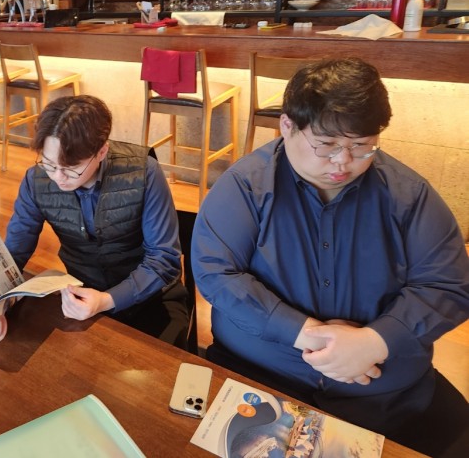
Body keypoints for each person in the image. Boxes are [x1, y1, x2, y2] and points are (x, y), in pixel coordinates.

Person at [191, 57, 469, 456]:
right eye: (326, 145)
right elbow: (216, 274)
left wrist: (375, 341)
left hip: (384, 395)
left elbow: (449, 285)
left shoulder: (408, 195)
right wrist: (305, 332)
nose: (344, 161)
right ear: (287, 126)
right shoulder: (246, 186)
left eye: (362, 146)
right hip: (262, 379)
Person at [0, 95, 189, 347]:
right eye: (48, 164)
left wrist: (106, 300)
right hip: (80, 296)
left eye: (70, 168)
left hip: (152, 299)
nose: (58, 177)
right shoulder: (36, 180)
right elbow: (14, 251)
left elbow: (163, 259)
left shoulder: (144, 172)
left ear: (102, 151)